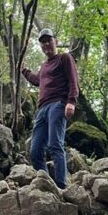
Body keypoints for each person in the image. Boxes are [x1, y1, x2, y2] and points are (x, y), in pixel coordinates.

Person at [21, 28, 79, 189]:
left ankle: (61, 186)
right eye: (42, 42)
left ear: (56, 41)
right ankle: (45, 183)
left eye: (49, 40)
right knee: (35, 149)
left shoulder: (64, 58)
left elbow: (74, 80)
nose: (46, 44)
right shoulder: (44, 66)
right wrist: (24, 70)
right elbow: (37, 80)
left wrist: (71, 102)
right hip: (42, 109)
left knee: (55, 144)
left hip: (58, 104)